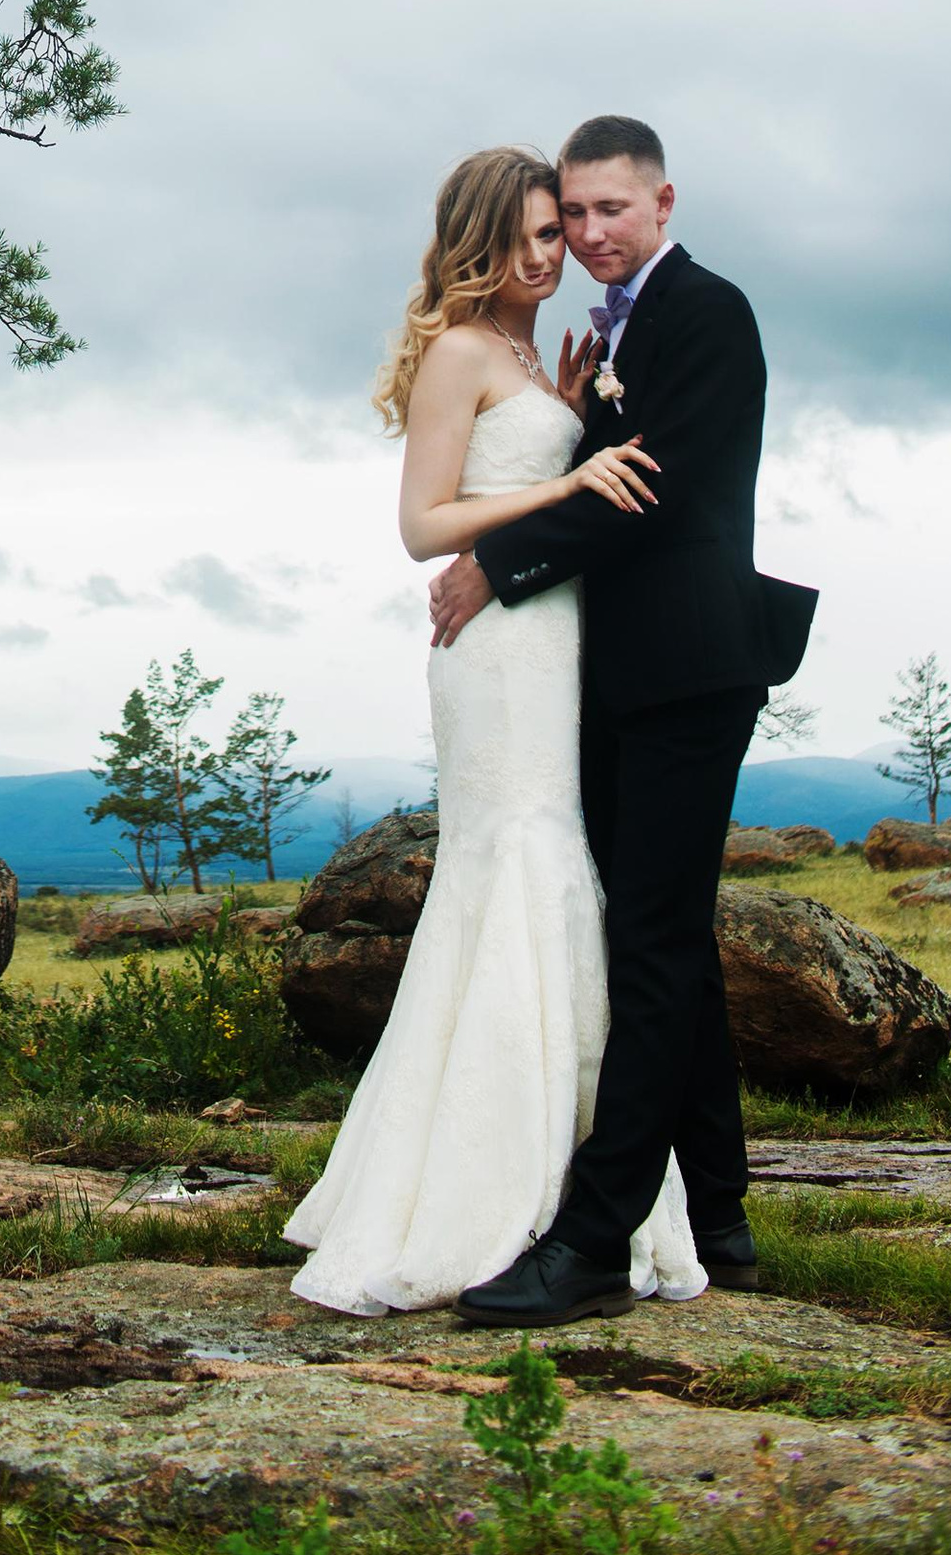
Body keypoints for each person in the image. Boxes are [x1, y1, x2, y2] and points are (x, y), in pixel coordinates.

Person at [283, 144, 706, 1314]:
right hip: (497, 661)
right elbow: (424, 525)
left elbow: (520, 484)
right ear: (475, 238)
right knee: (514, 864)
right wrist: (567, 479)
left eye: (553, 230)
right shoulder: (461, 348)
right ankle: (476, 1190)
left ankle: (568, 1186)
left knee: (556, 870)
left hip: (555, 641)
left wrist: (563, 424)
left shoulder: (532, 354)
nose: (546, 252)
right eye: (524, 234)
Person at [432, 115, 816, 1329]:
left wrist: (501, 559)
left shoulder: (706, 311)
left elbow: (646, 491)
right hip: (616, 673)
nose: (589, 234)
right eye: (572, 215)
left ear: (661, 202)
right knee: (670, 940)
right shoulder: (604, 332)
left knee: (648, 944)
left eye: (608, 210)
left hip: (689, 667)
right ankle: (721, 1214)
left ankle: (594, 1239)